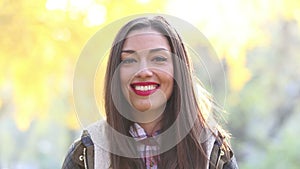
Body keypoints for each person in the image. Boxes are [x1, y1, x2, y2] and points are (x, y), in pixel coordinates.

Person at [62, 15, 238, 169]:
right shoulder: (88, 153)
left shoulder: (212, 151)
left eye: (158, 59)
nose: (143, 71)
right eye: (129, 60)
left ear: (179, 71)